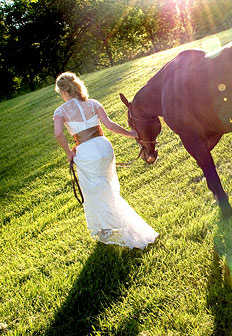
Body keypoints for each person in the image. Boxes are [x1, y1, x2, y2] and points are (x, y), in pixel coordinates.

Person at [53, 72, 158, 249]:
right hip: (104, 148)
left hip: (86, 153)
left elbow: (58, 134)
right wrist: (130, 134)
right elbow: (109, 125)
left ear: (63, 92)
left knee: (94, 192)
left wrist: (69, 153)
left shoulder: (61, 111)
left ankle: (109, 229)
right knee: (108, 188)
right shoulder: (93, 103)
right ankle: (110, 225)